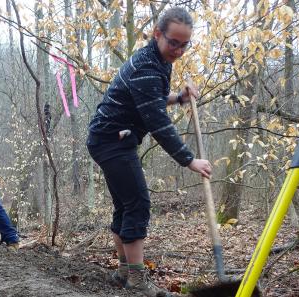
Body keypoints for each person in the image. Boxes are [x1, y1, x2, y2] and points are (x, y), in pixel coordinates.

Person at [86, 7, 212, 297]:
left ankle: (123, 271)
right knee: (138, 204)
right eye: (173, 42)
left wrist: (179, 98)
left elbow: (151, 98)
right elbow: (156, 120)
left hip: (111, 139)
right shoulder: (146, 67)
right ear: (158, 34)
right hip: (111, 141)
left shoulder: (158, 61)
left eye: (184, 44)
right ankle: (137, 281)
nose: (178, 50)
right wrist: (189, 160)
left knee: (126, 204)